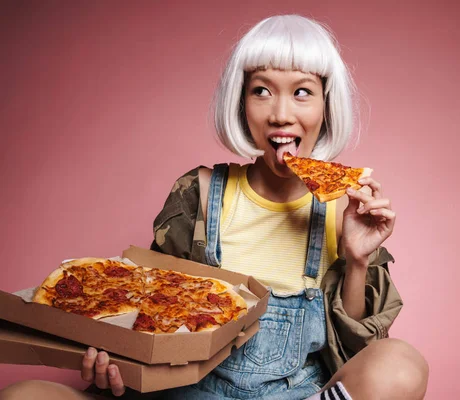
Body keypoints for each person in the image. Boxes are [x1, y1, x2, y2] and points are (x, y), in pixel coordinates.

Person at [0, 14, 428, 400]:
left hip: (294, 394)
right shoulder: (200, 191)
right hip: (183, 392)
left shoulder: (342, 206)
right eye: (262, 90)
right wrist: (111, 365)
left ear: (325, 105)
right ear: (241, 103)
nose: (281, 113)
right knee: (23, 395)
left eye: (302, 92)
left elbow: (358, 353)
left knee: (402, 364)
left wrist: (357, 260)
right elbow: (147, 316)